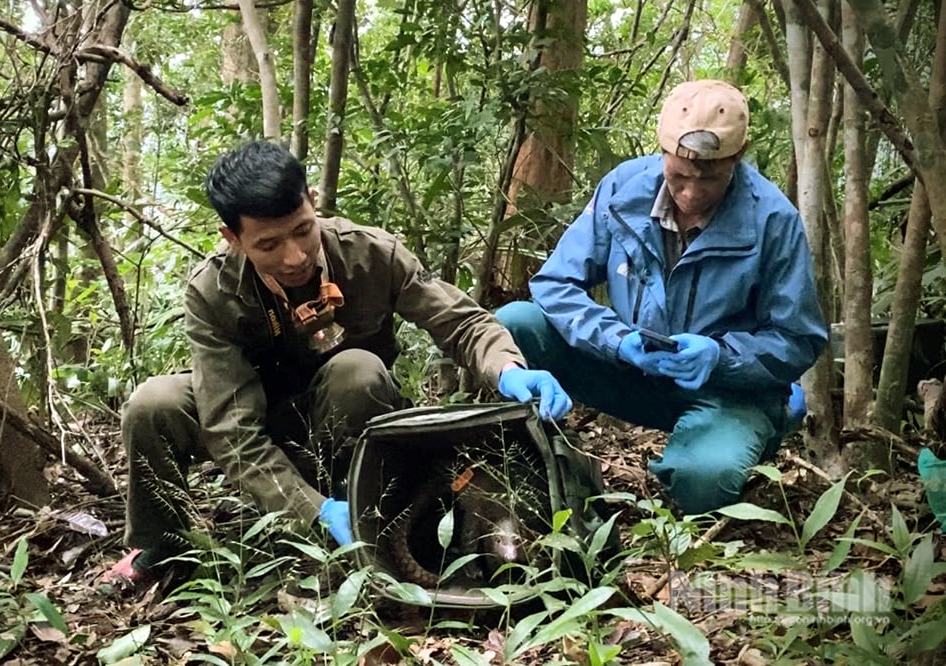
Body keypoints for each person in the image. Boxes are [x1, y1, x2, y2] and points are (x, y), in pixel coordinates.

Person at [104, 140, 572, 586]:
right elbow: (231, 428)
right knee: (153, 403)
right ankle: (162, 548)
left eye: (302, 230)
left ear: (312, 201)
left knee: (357, 370)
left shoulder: (369, 253)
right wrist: (311, 509)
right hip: (259, 416)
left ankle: (373, 516)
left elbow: (460, 321)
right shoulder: (212, 292)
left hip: (349, 416)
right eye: (268, 244)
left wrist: (508, 367)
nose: (294, 256)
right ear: (233, 238)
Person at [496, 79, 828, 515]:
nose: (691, 192)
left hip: (725, 390)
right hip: (631, 369)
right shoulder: (623, 189)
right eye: (679, 175)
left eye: (709, 178)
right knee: (514, 325)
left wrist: (720, 356)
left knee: (703, 482)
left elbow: (798, 339)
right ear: (663, 150)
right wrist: (617, 341)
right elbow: (555, 284)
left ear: (738, 157)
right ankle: (537, 460)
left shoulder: (772, 220)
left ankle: (758, 429)